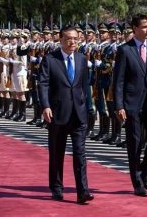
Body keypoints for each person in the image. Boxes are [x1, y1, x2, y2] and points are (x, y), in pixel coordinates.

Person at [38, 25, 94, 203]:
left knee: (80, 153)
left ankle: (82, 191)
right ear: (60, 40)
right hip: (57, 113)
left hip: (78, 113)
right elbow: (43, 84)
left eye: (75, 39)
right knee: (56, 152)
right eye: (68, 39)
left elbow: (82, 85)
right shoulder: (50, 59)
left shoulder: (82, 59)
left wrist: (83, 105)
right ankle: (56, 187)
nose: (72, 42)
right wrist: (45, 106)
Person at [113, 13, 147, 197]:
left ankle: (143, 170)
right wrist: (119, 105)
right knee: (134, 144)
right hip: (131, 103)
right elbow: (118, 80)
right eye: (144, 27)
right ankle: (137, 183)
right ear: (134, 28)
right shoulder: (125, 50)